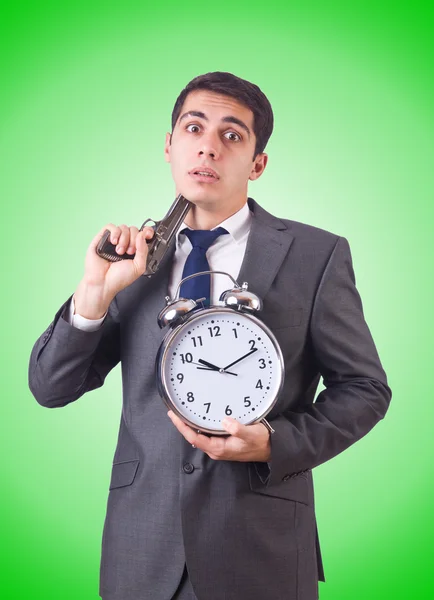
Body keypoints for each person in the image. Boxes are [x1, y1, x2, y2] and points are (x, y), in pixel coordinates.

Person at [28, 72, 392, 600]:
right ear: (170, 146)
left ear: (258, 163)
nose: (208, 147)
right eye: (194, 128)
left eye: (232, 135)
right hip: (141, 551)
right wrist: (93, 292)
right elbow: (49, 388)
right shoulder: (131, 260)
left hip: (261, 547)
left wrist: (273, 442)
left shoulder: (317, 255)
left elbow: (364, 389)